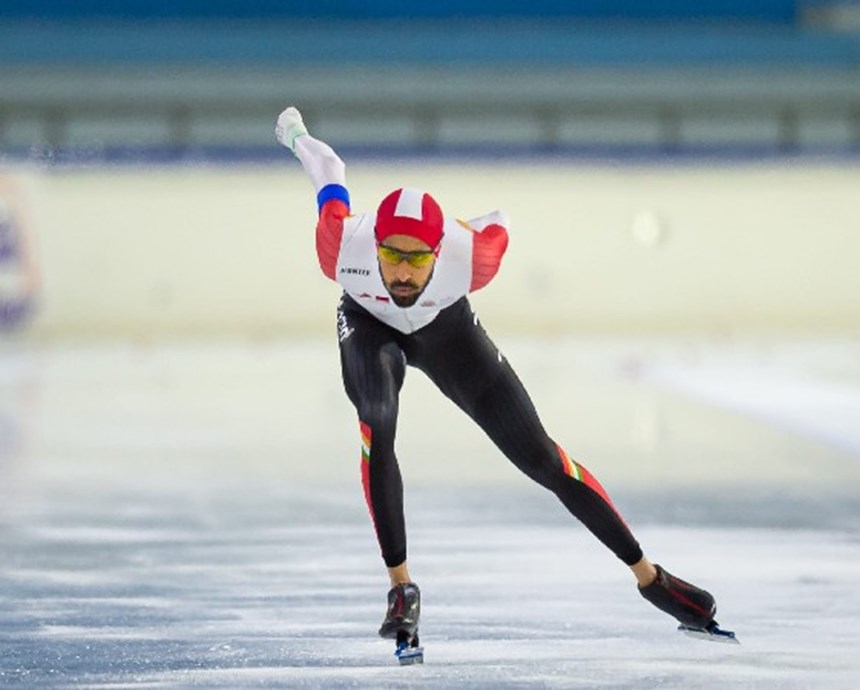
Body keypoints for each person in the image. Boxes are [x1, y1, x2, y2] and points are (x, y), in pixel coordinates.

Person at [275, 107, 725, 651]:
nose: (403, 272)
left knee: (541, 457)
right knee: (378, 417)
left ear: (440, 251)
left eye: (417, 259)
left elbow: (498, 219)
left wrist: (467, 226)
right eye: (391, 255)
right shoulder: (340, 244)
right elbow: (328, 169)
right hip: (368, 323)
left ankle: (650, 577)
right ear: (374, 247)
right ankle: (401, 589)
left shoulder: (473, 257)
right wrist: (297, 135)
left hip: (445, 328)